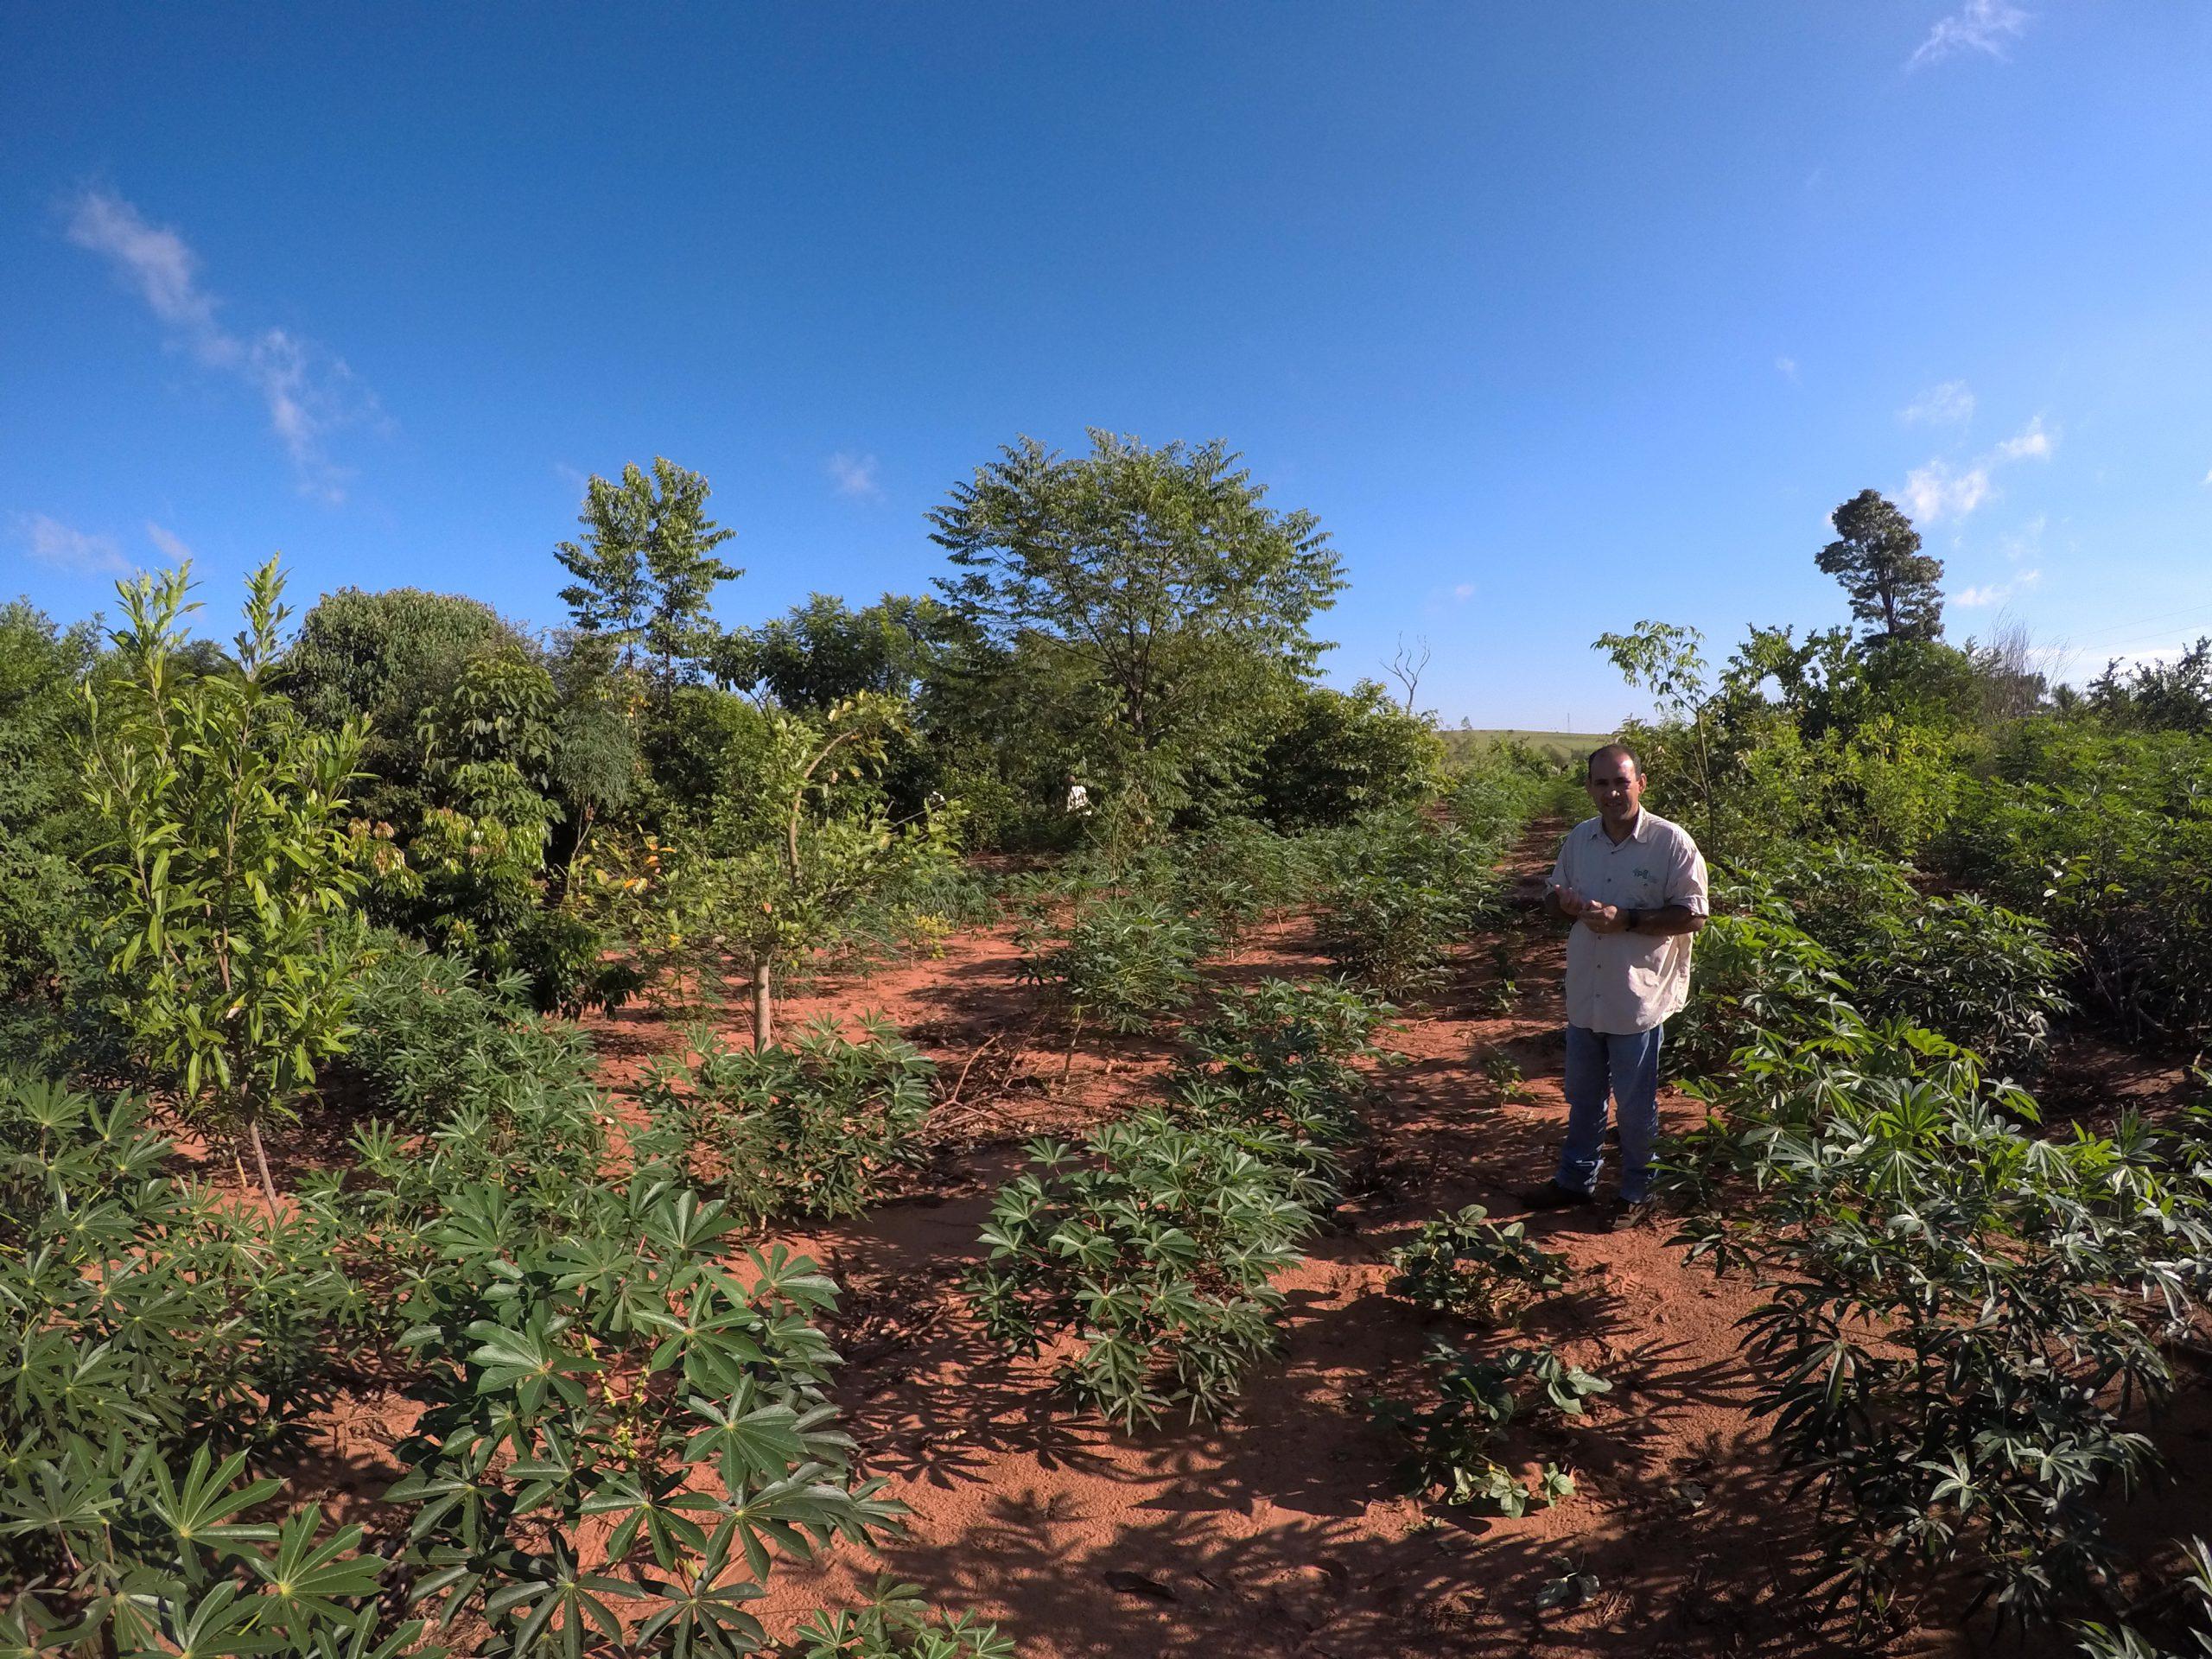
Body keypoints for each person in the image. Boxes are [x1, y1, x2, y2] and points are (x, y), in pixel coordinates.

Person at [1522, 742, 1707, 1226]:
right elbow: (1550, 897)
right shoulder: (1579, 840)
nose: (1612, 792)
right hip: (1587, 991)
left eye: (1621, 781)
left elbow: (1692, 916)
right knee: (1582, 1095)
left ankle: (1638, 1188)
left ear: (1640, 784)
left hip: (1637, 996)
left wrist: (1625, 919)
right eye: (1601, 783)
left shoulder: (1671, 843)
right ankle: (1575, 1180)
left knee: (1634, 1102)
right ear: (1589, 789)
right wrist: (1559, 905)